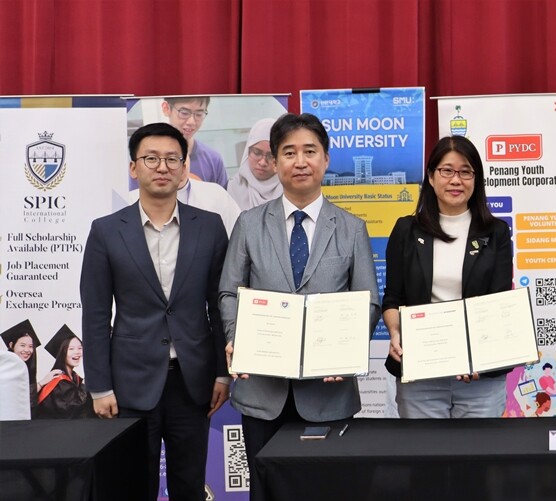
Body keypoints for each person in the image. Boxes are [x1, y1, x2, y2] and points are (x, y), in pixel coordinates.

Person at [218, 113, 380, 501]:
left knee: (328, 492)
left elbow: (368, 299)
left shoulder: (351, 228)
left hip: (329, 394)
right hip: (262, 392)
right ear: (275, 162)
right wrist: (237, 337)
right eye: (289, 153)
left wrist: (344, 350)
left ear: (326, 159)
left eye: (310, 151)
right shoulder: (249, 223)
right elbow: (229, 292)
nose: (300, 161)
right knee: (266, 491)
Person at [81, 122, 230, 501]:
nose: (162, 167)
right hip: (129, 384)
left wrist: (222, 373)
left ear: (184, 168)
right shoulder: (106, 231)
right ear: (134, 167)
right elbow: (96, 314)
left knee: (189, 487)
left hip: (192, 383)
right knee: (132, 488)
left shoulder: (210, 227)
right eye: (151, 159)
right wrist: (99, 386)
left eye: (171, 159)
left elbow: (220, 306)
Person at [382, 135, 513, 418]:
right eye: (447, 171)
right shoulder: (406, 230)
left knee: (480, 449)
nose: (456, 180)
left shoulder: (496, 233)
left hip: (479, 375)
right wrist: (396, 332)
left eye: (465, 172)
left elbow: (499, 304)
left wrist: (479, 355)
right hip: (421, 372)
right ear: (431, 177)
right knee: (425, 448)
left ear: (476, 179)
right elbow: (392, 298)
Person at [130, 96, 228, 189]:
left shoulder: (213, 160)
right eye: (184, 113)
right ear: (166, 108)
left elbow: (222, 199)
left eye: (199, 114)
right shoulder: (144, 158)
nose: (191, 122)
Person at [35, 326, 97, 419]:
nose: (77, 352)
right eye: (71, 349)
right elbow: (72, 410)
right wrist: (85, 384)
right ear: (62, 352)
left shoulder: (75, 377)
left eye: (79, 348)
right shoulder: (58, 381)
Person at [228, 118, 283, 210]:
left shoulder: (290, 190)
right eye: (257, 153)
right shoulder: (234, 187)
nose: (262, 162)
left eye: (270, 156)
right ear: (247, 151)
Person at [0, 349, 30, 420]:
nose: (27, 350)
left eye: (31, 346)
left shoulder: (12, 364)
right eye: (22, 345)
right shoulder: (11, 362)